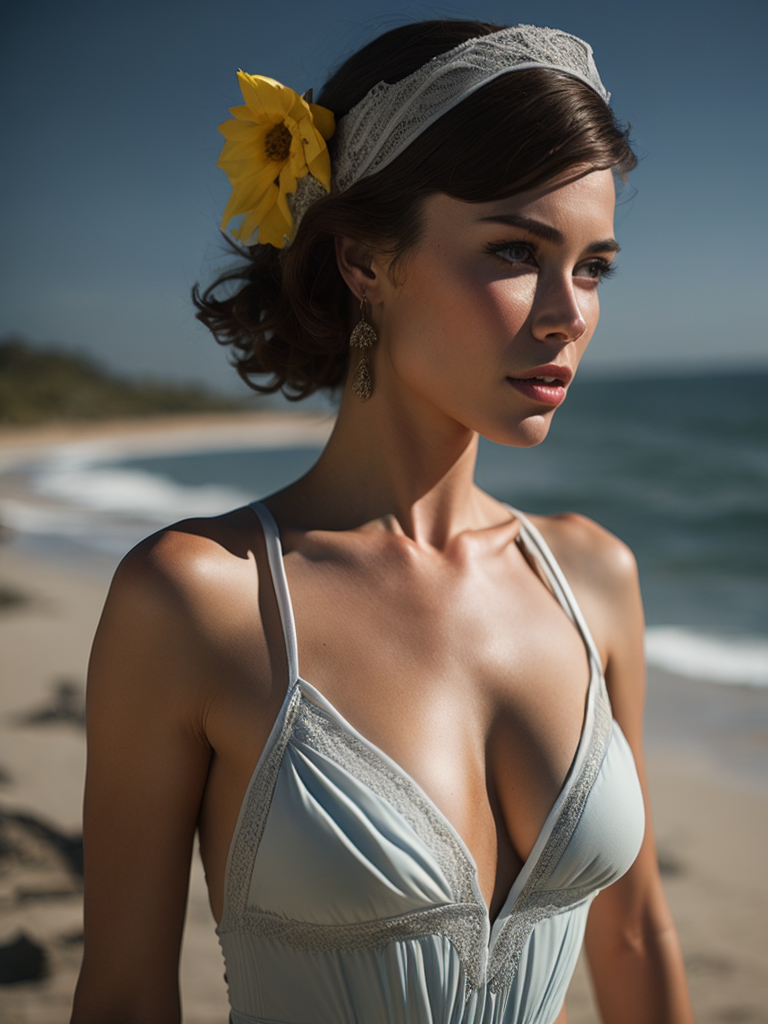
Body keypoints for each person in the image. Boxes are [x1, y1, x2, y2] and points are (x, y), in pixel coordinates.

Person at [70, 19, 696, 1024]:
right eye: (513, 251)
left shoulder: (592, 576)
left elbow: (634, 937)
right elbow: (127, 993)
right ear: (365, 259)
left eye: (592, 267)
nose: (568, 312)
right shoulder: (197, 598)